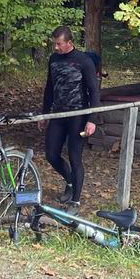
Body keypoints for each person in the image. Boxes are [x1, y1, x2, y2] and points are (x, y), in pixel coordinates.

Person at [37, 26, 100, 216]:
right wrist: (44, 113)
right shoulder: (53, 59)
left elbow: (94, 91)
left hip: (78, 115)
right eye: (54, 43)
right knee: (51, 154)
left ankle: (76, 200)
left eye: (59, 44)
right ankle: (70, 181)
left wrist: (92, 119)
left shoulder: (84, 61)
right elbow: (50, 87)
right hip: (58, 114)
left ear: (69, 43)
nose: (55, 47)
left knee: (75, 157)